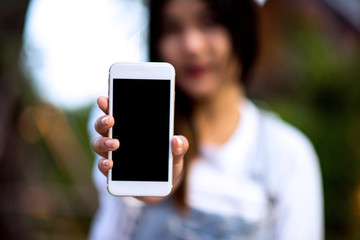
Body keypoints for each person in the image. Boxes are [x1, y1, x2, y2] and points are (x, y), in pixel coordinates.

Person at [90, 0, 323, 239]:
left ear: (242, 29)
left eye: (209, 22)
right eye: (171, 28)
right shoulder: (119, 127)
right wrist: (137, 197)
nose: (192, 45)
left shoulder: (289, 153)